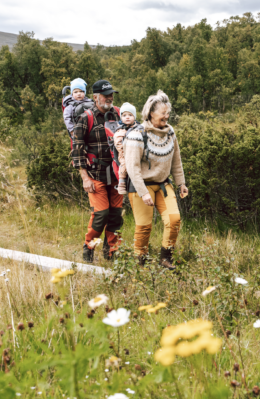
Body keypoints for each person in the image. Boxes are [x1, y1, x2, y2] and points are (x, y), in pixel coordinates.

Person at [124, 90, 189, 269]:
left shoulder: (170, 132)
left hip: (163, 184)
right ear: (151, 113)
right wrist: (143, 192)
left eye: (168, 113)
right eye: (163, 113)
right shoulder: (137, 135)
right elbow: (132, 168)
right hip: (141, 186)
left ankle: (165, 258)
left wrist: (181, 183)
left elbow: (176, 160)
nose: (167, 116)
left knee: (174, 220)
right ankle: (141, 261)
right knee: (144, 226)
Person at [71, 80, 123, 263]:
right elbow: (77, 150)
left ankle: (112, 251)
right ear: (95, 97)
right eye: (105, 95)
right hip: (95, 175)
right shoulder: (86, 118)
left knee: (115, 215)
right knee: (101, 215)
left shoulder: (118, 114)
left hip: (117, 175)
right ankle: (89, 247)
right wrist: (85, 177)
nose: (109, 98)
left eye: (111, 95)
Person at [114, 102, 138, 194]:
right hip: (124, 152)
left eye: (130, 115)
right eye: (124, 115)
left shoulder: (139, 128)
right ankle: (122, 182)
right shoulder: (120, 130)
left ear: (134, 116)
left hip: (136, 151)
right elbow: (118, 143)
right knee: (124, 163)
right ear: (121, 117)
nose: (127, 117)